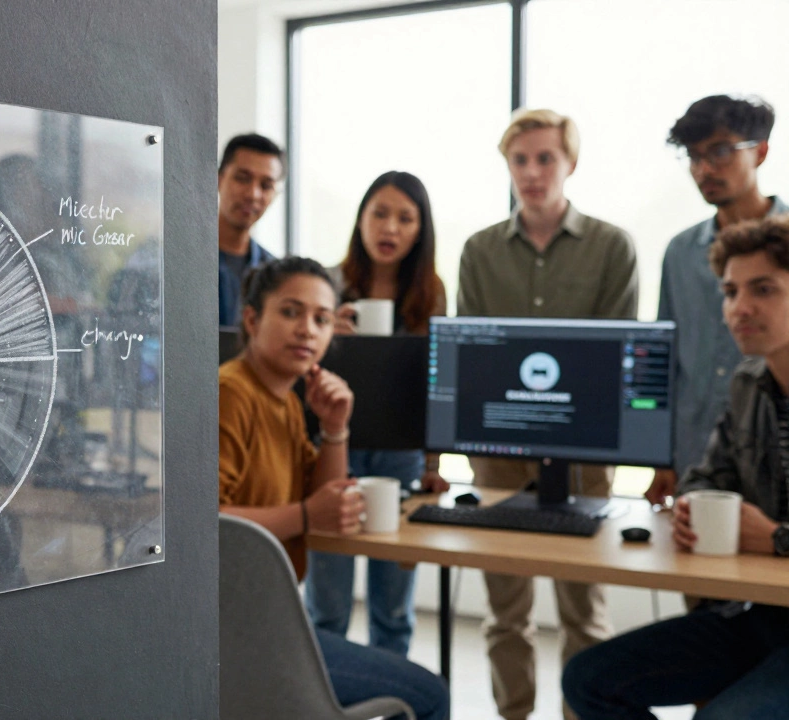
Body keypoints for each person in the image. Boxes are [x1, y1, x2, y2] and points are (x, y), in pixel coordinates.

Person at [563, 215, 789, 719]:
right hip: (759, 617)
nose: (739, 308)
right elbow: (708, 476)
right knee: (589, 679)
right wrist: (692, 507)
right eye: (730, 292)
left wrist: (776, 538)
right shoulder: (749, 383)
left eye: (764, 289)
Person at [457, 108, 637, 720]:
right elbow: (476, 353)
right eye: (520, 160)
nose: (532, 172)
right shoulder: (479, 250)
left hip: (584, 451)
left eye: (545, 159)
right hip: (499, 450)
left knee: (583, 609)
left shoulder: (613, 246)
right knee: (505, 609)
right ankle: (514, 713)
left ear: (570, 163)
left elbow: (612, 354)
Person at [219, 256, 449, 719]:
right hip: (234, 628)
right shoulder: (232, 393)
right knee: (428, 696)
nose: (308, 329)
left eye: (322, 319)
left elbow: (327, 499)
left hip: (269, 619)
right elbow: (201, 521)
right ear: (251, 319)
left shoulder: (282, 401)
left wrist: (336, 429)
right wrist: (306, 515)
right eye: (290, 312)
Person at [303, 171, 450, 656]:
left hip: (401, 455)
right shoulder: (328, 284)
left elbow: (437, 387)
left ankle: (392, 697)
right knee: (327, 599)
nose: (390, 228)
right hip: (334, 449)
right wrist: (329, 335)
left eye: (406, 218)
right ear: (361, 220)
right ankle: (322, 700)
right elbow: (297, 368)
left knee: (392, 608)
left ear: (420, 229)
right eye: (380, 214)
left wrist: (432, 467)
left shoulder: (431, 293)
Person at [648, 95, 787, 507]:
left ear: (760, 151)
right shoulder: (680, 252)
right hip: (695, 456)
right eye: (694, 157)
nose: (704, 169)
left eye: (721, 152)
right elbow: (664, 361)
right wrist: (660, 458)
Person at [218, 133, 282, 326]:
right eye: (243, 178)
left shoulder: (276, 275)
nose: (253, 194)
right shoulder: (174, 258)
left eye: (266, 185)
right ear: (219, 179)